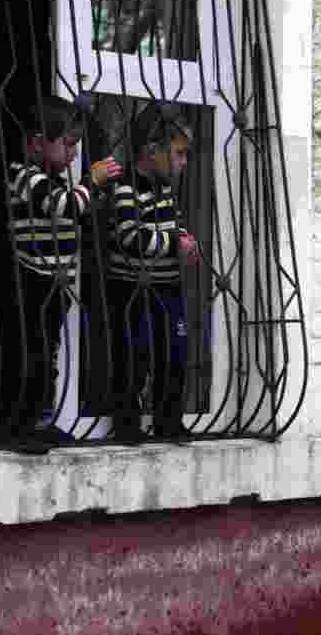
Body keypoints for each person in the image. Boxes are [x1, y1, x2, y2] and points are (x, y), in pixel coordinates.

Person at [0, 96, 122, 453]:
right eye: (67, 144)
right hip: (29, 281)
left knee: (46, 357)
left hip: (52, 283)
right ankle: (15, 427)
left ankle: (37, 420)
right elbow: (64, 206)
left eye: (76, 145)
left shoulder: (49, 178)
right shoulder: (24, 175)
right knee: (28, 356)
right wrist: (91, 181)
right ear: (37, 142)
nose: (72, 153)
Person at [105, 103, 202, 443]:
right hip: (133, 290)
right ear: (152, 150)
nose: (183, 163)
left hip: (167, 287)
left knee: (174, 355)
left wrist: (186, 242)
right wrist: (174, 242)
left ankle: (168, 421)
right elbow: (130, 237)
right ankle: (128, 425)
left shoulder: (164, 191)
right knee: (135, 358)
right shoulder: (127, 188)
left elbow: (171, 228)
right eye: (178, 154)